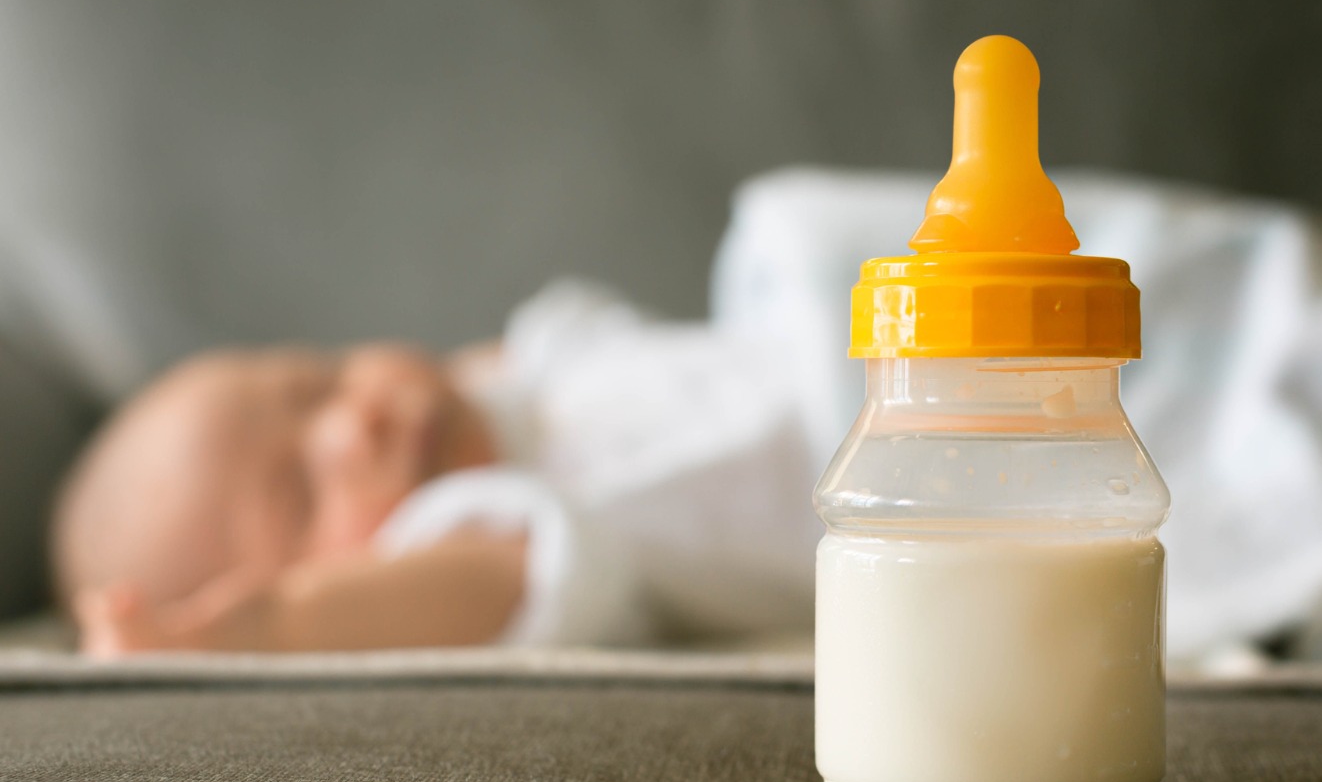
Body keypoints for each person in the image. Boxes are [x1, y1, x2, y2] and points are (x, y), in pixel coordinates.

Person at [54, 279, 821, 655]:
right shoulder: (487, 533)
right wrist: (261, 631)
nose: (355, 424)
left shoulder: (520, 381)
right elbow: (484, 587)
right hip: (894, 470)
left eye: (318, 383)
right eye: (300, 497)